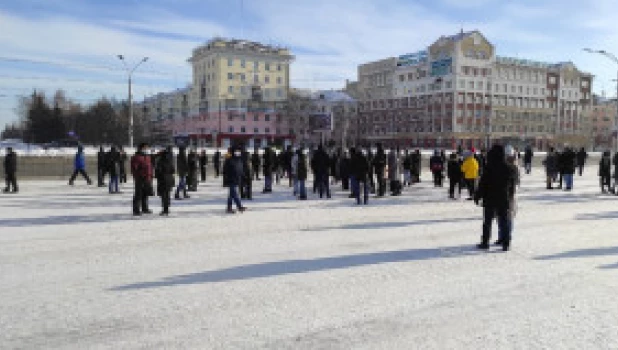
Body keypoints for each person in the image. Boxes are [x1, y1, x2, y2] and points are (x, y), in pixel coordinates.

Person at [474, 144, 517, 251]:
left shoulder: (489, 167)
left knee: (487, 221)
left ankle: (485, 242)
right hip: (503, 197)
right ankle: (506, 243)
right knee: (504, 220)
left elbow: (482, 184)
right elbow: (512, 185)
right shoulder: (509, 168)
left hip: (490, 198)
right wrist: (510, 196)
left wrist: (477, 196)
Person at [130, 143, 154, 216]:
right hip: (140, 179)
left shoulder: (147, 156)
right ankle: (136, 210)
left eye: (147, 148)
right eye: (145, 148)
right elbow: (134, 169)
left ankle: (145, 208)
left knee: (145, 194)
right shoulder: (136, 157)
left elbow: (149, 167)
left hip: (147, 178)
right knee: (138, 194)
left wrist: (151, 175)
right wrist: (139, 176)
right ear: (141, 148)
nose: (146, 149)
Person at [222, 147, 246, 214]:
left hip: (236, 178)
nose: (238, 153)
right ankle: (239, 206)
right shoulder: (229, 159)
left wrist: (242, 176)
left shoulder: (237, 159)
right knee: (234, 194)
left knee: (231, 194)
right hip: (231, 179)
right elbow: (225, 170)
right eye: (236, 151)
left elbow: (240, 168)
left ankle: (229, 208)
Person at [155, 146, 175, 216]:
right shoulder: (169, 161)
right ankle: (166, 208)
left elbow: (157, 172)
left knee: (163, 196)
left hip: (162, 180)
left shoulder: (160, 162)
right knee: (167, 194)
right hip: (169, 179)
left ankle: (165, 209)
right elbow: (173, 170)